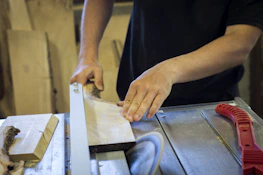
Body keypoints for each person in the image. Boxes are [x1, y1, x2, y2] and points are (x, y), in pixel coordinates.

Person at [70, 0, 263, 122]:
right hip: (138, 103)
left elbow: (239, 42)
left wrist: (169, 71)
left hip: (210, 106)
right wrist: (87, 56)